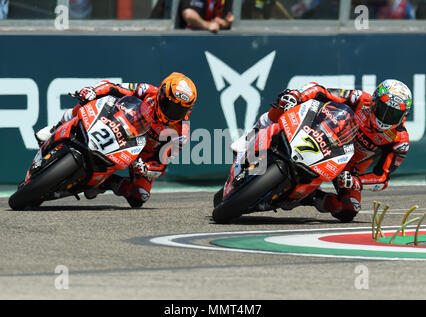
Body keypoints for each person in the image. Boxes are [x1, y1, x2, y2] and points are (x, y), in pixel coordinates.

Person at [235, 79, 412, 222]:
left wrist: (357, 181)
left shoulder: (399, 140)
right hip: (323, 134)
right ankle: (252, 135)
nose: (385, 117)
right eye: (383, 109)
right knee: (285, 102)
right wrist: (297, 95)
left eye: (393, 114)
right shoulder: (359, 99)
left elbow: (382, 178)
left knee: (349, 209)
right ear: (374, 102)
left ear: (404, 116)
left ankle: (309, 198)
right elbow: (321, 90)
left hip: (346, 168)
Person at [35, 72, 197, 208]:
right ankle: (56, 127)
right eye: (171, 106)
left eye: (180, 110)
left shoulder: (181, 132)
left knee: (140, 196)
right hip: (120, 125)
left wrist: (145, 168)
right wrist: (93, 91)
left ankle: (107, 183)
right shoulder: (147, 91)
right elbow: (113, 87)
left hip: (139, 154)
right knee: (87, 100)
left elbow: (161, 165)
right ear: (161, 94)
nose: (173, 113)